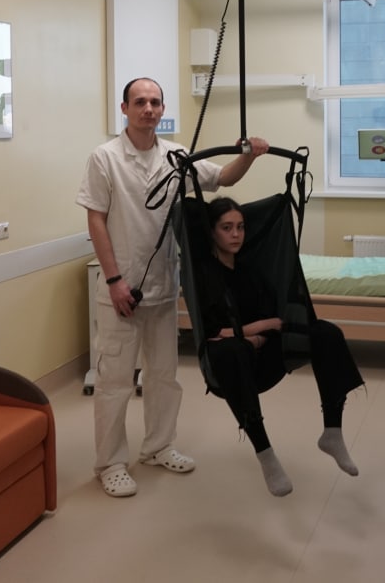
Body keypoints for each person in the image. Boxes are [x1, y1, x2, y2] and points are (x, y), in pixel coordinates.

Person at [76, 77, 269, 498]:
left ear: (163, 109)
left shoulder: (176, 156)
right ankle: (110, 463)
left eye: (155, 102)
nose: (148, 108)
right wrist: (114, 281)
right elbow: (95, 220)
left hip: (163, 288)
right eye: (140, 102)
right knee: (115, 382)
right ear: (124, 108)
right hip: (121, 290)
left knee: (164, 376)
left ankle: (158, 447)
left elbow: (224, 178)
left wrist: (249, 155)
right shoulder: (105, 158)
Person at [193, 196, 364, 497]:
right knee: (231, 349)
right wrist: (259, 328)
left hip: (266, 356)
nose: (236, 234)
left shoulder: (249, 271)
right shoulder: (204, 276)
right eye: (227, 228)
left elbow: (276, 319)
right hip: (232, 365)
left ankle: (332, 432)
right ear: (212, 232)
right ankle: (265, 453)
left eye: (240, 227)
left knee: (326, 333)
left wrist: (257, 334)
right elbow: (213, 333)